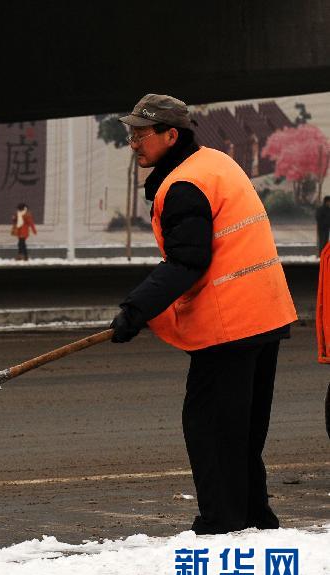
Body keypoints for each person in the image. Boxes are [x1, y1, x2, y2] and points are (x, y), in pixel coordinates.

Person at [109, 94, 297, 535]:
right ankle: (255, 520)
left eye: (141, 134)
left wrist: (135, 311)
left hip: (231, 324)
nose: (133, 143)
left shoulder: (184, 185)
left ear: (171, 135)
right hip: (265, 314)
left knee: (211, 431)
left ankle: (222, 525)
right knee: (243, 435)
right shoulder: (215, 162)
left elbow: (186, 261)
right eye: (130, 134)